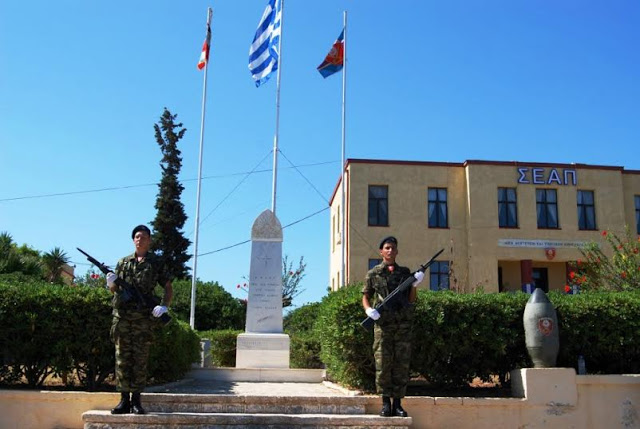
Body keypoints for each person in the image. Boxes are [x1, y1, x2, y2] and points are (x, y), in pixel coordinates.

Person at [106, 224, 173, 415]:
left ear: (149, 240)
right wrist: (111, 283)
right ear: (133, 240)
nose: (139, 239)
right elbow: (115, 290)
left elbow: (168, 287)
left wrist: (164, 305)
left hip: (143, 319)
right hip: (122, 318)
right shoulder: (123, 262)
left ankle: (136, 400)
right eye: (136, 236)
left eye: (143, 236)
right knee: (122, 360)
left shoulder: (156, 262)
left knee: (140, 359)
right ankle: (123, 400)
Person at [362, 236, 424, 417]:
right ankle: (385, 404)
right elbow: (365, 295)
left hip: (402, 326)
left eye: (393, 248)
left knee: (401, 365)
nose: (390, 251)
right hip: (383, 327)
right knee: (383, 365)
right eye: (387, 248)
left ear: (397, 252)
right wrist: (368, 310)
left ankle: (397, 404)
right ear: (381, 251)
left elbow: (411, 301)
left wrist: (414, 285)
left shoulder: (405, 273)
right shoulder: (373, 274)